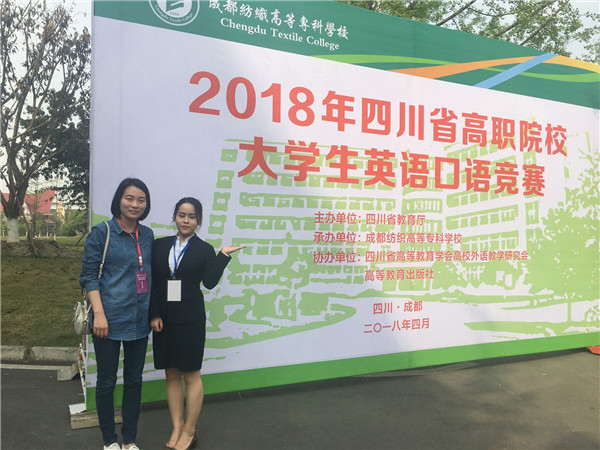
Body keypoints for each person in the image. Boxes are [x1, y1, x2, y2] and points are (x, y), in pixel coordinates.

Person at [149, 197, 244, 450]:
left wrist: (223, 255)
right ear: (175, 216)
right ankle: (177, 427)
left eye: (192, 217)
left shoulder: (204, 249)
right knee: (171, 374)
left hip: (191, 320)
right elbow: (154, 282)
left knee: (191, 375)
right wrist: (154, 314)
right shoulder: (159, 245)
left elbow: (210, 282)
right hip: (164, 320)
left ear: (198, 220)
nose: (186, 220)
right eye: (181, 215)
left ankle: (190, 431)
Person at [80, 178, 154, 450]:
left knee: (134, 381)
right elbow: (89, 276)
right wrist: (99, 315)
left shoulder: (147, 235)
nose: (135, 204)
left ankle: (129, 440)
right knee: (107, 382)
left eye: (141, 200)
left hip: (139, 319)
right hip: (107, 320)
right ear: (119, 200)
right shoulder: (102, 232)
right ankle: (110, 441)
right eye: (129, 198)